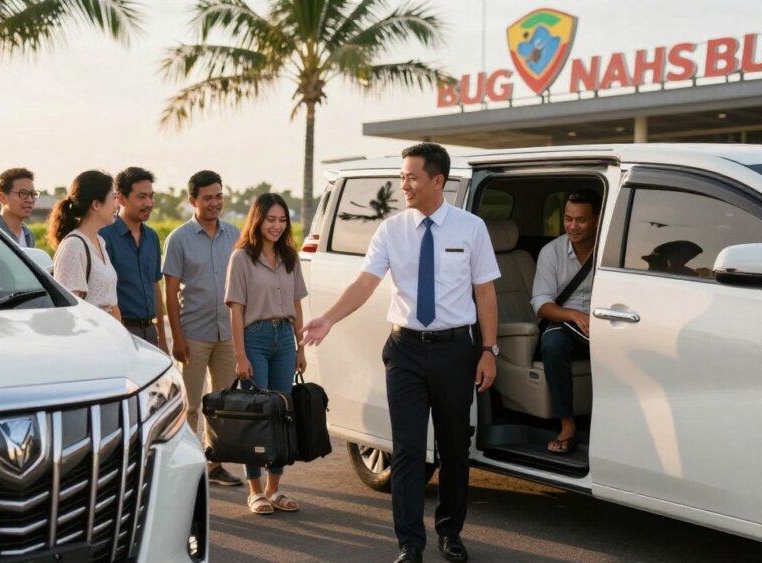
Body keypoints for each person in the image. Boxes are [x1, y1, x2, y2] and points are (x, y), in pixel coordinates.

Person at [301, 143, 500, 563]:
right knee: (408, 450)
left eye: (411, 176)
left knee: (453, 449)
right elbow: (365, 282)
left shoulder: (470, 228)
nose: (403, 184)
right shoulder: (391, 230)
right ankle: (410, 544)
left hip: (455, 352)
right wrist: (328, 318)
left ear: (437, 181)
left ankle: (450, 532)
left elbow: (485, 292)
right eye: (402, 176)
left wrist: (488, 349)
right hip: (406, 350)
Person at [225, 193, 307, 516]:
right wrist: (240, 354)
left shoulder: (290, 256)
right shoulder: (242, 258)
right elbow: (235, 309)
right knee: (258, 414)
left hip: (285, 338)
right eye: (271, 219)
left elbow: (298, 304)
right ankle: (255, 490)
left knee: (281, 415)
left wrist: (300, 346)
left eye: (282, 220)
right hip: (255, 338)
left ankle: (275, 489)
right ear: (258, 219)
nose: (277, 226)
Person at [162, 170, 242, 487]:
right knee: (191, 405)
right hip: (193, 334)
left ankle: (214, 464)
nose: (215, 203)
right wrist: (177, 337)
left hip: (228, 333)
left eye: (219, 196)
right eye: (208, 198)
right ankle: (184, 465)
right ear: (192, 200)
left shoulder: (235, 234)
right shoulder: (179, 238)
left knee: (221, 405)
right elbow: (169, 292)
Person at [531, 189, 601, 454]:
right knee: (553, 341)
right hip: (567, 327)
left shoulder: (611, 248)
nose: (573, 226)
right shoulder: (551, 252)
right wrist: (574, 315)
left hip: (605, 326)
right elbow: (541, 304)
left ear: (596, 219)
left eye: (581, 220)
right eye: (568, 219)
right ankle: (567, 424)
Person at [100, 166, 168, 352]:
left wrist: (161, 337)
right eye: (141, 197)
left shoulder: (152, 237)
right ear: (120, 198)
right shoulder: (105, 237)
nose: (149, 203)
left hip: (149, 331)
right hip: (120, 332)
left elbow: (155, 286)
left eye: (151, 196)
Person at [48, 170, 121, 321]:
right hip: (90, 336)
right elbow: (70, 312)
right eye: (113, 197)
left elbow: (111, 303)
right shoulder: (74, 246)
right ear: (96, 204)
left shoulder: (99, 241)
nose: (117, 204)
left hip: (107, 333)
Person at [0, 167, 38, 247]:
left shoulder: (28, 235)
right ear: (2, 197)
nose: (30, 200)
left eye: (33, 194)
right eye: (23, 193)